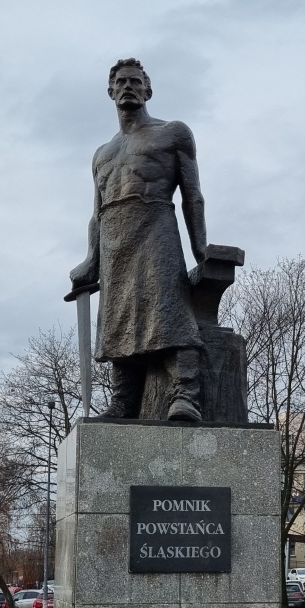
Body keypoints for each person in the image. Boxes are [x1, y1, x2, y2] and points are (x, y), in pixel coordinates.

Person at [69, 57, 207, 421]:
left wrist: (201, 249)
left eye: (135, 81)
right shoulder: (102, 153)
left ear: (148, 90)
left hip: (155, 224)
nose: (128, 86)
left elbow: (192, 194)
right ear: (110, 91)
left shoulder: (172, 132)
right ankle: (123, 402)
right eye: (121, 82)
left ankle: (185, 395)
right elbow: (97, 212)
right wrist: (90, 260)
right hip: (114, 238)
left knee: (169, 309)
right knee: (117, 321)